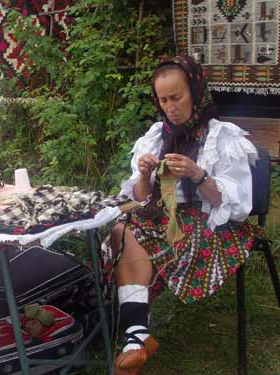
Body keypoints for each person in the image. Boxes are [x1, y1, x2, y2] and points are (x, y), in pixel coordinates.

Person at [111, 55, 262, 374]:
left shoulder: (222, 137)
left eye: (177, 97)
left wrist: (198, 174)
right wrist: (143, 175)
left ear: (195, 91)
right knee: (121, 228)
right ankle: (137, 335)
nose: (170, 107)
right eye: (163, 100)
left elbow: (236, 204)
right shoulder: (155, 136)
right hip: (161, 219)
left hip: (209, 227)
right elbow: (140, 199)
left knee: (133, 234)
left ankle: (134, 335)